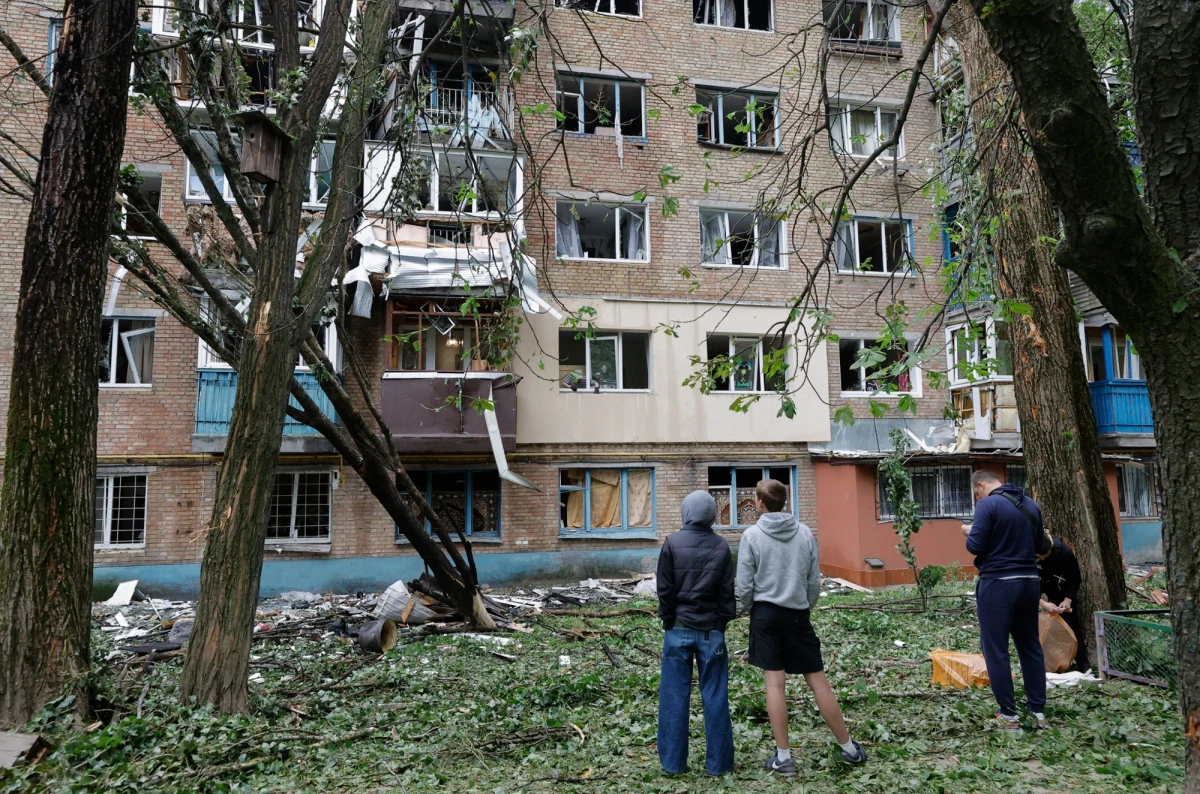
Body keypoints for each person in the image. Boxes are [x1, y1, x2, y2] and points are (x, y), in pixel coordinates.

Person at [736, 478, 867, 775]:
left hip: (766, 616)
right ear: (785, 502)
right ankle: (848, 748)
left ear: (759, 503)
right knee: (818, 682)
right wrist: (803, 608)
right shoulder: (805, 533)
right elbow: (813, 582)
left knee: (774, 684)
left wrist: (742, 609)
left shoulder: (752, 536)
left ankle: (783, 758)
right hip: (798, 615)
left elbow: (744, 585)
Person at [961, 470, 1052, 730]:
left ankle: (1008, 715)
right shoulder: (1031, 505)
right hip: (1029, 583)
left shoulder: (987, 505)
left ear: (980, 485)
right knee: (1030, 646)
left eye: (976, 493)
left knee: (996, 649)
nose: (977, 497)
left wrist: (969, 530)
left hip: (999, 584)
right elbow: (1041, 547)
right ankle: (1038, 712)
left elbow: (975, 546)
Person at [655, 490, 735, 777]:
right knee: (715, 697)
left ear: (686, 512)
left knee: (674, 696)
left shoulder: (672, 544)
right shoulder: (722, 546)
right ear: (712, 514)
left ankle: (673, 764)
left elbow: (664, 589)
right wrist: (721, 624)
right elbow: (727, 592)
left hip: (677, 630)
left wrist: (668, 620)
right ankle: (719, 765)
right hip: (711, 632)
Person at [1038, 535, 1090, 673]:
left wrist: (1067, 599)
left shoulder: (1064, 552)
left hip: (1060, 587)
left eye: (1045, 556)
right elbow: (1025, 585)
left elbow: (1075, 577)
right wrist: (1044, 603)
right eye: (1039, 557)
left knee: (1073, 625)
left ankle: (1083, 663)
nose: (1042, 559)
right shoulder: (1026, 553)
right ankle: (1044, 663)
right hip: (1038, 584)